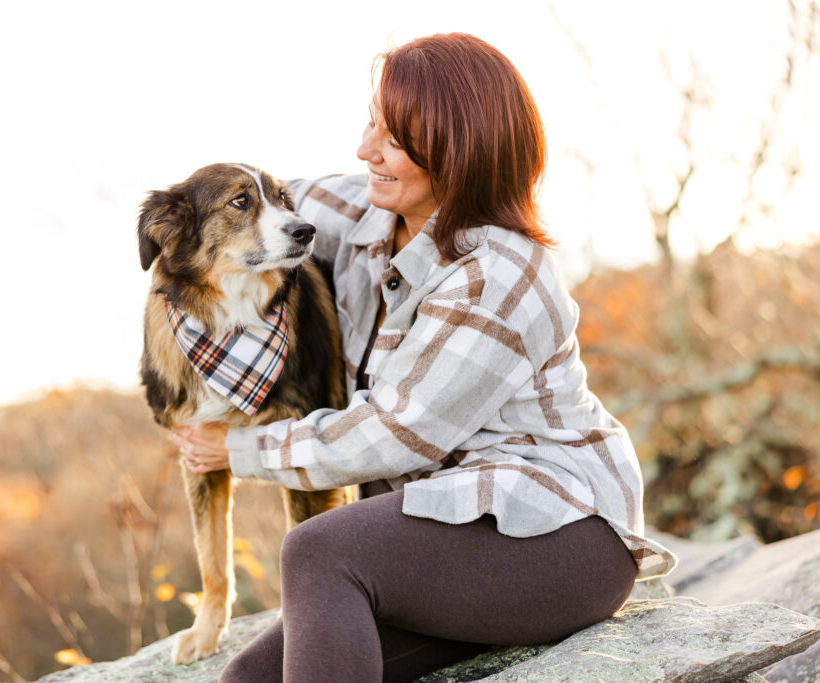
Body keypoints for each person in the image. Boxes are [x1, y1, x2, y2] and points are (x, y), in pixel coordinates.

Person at [172, 32, 676, 683]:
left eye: (393, 138)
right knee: (250, 679)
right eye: (371, 123)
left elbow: (398, 432)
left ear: (456, 150)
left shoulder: (500, 272)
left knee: (317, 549)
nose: (363, 149)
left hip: (559, 538)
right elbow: (246, 206)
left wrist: (236, 449)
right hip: (443, 530)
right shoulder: (361, 208)